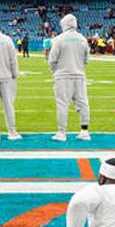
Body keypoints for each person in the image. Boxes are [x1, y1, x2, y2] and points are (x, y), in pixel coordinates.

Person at [47, 14, 91, 142]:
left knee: (62, 104)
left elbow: (52, 59)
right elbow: (86, 60)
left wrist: (55, 71)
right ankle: (84, 131)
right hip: (79, 74)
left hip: (63, 75)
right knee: (83, 102)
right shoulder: (82, 39)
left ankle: (61, 133)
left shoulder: (59, 39)